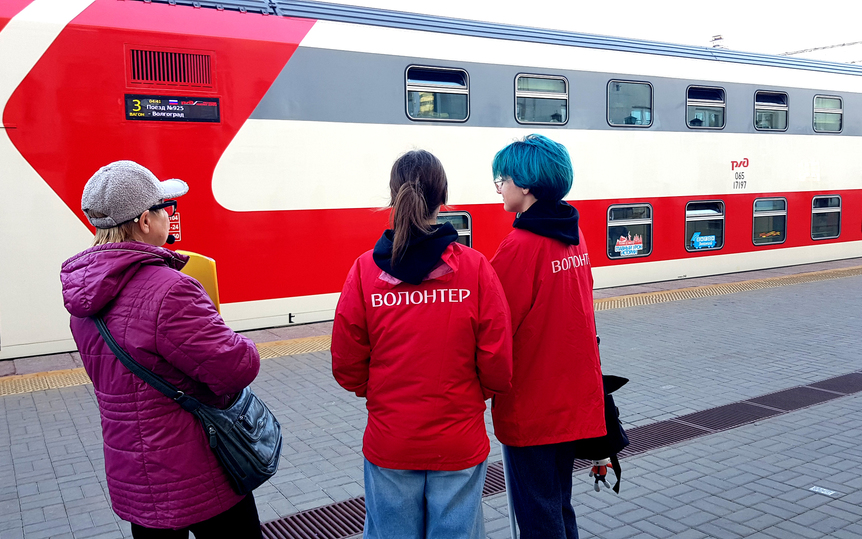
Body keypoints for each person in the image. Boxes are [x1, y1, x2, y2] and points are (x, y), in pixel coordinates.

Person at [60, 161, 264, 538]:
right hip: (198, 471)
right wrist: (238, 341)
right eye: (165, 208)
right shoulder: (172, 289)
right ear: (144, 221)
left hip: (134, 475)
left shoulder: (81, 297)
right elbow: (237, 369)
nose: (170, 216)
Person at [331, 150, 513, 539]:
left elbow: (346, 363)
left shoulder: (365, 270)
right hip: (458, 437)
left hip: (391, 438)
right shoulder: (475, 267)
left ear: (394, 195)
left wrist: (377, 391)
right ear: (442, 196)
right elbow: (498, 361)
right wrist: (470, 395)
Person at [489, 135, 606, 539]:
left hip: (533, 407)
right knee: (558, 505)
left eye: (502, 178)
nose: (499, 187)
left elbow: (495, 326)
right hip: (572, 401)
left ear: (524, 185)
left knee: (538, 517)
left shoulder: (520, 246)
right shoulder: (573, 235)